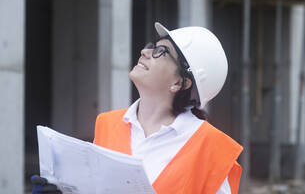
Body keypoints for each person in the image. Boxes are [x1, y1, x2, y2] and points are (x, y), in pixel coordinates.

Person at [31, 22, 243, 194]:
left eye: (161, 52)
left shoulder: (212, 149)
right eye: (152, 46)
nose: (144, 52)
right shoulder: (108, 124)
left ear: (179, 83)